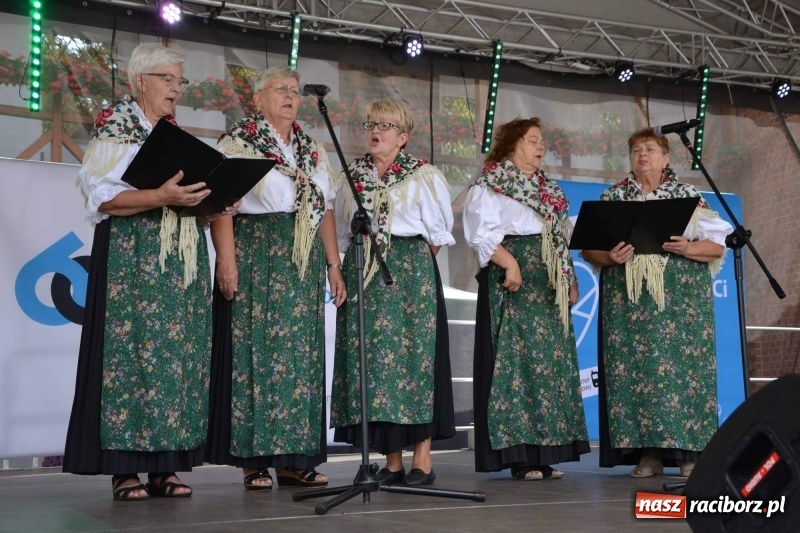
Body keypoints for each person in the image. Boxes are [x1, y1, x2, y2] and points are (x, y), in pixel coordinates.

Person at [63, 42, 229, 501]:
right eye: (167, 79)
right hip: (133, 257)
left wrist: (213, 201)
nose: (176, 89)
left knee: (177, 359)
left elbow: (185, 201)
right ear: (139, 81)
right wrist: (161, 197)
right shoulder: (116, 128)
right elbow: (102, 199)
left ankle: (165, 466)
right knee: (130, 356)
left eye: (180, 81)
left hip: (180, 259)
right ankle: (124, 470)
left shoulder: (173, 135)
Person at [206, 66, 346, 491]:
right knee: (256, 354)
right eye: (280, 89)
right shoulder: (238, 142)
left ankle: (294, 460)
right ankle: (253, 460)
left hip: (301, 261)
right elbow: (221, 205)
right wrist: (226, 262)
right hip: (256, 253)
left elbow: (324, 209)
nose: (289, 96)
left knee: (301, 358)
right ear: (258, 99)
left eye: (294, 91)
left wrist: (333, 264)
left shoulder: (311, 149)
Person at [582, 127, 731, 478]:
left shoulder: (687, 197)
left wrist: (688, 248)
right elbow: (589, 250)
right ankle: (648, 455)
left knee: (684, 373)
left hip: (681, 305)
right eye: (636, 150)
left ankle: (689, 455)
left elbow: (717, 246)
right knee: (637, 374)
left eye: (650, 149)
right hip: (630, 307)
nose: (642, 155)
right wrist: (610, 256)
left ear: (666, 158)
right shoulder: (613, 198)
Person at [330, 98, 456, 486]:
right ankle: (393, 462)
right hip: (364, 272)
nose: (376, 131)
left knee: (415, 363)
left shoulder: (423, 176)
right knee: (377, 370)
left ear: (403, 137)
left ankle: (423, 461)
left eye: (385, 126)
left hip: (410, 275)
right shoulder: (351, 177)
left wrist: (407, 266)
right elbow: (341, 233)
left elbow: (436, 236)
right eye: (372, 124)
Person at [463, 117, 590, 481]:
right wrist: (510, 263)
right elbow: (480, 232)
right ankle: (519, 455)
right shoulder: (492, 183)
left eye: (541, 141)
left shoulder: (547, 189)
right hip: (513, 281)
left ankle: (545, 452)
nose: (540, 146)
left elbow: (559, 236)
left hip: (548, 283)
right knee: (515, 365)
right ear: (512, 144)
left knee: (549, 365)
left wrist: (569, 278)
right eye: (533, 140)